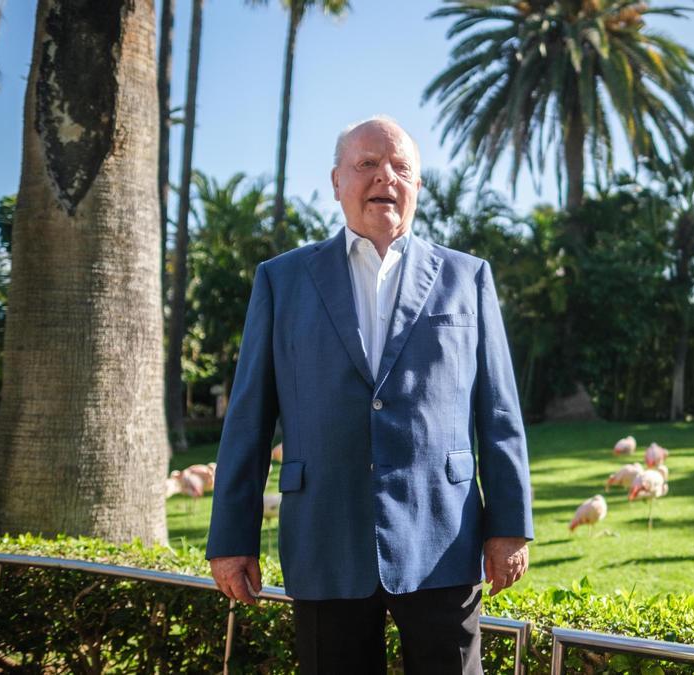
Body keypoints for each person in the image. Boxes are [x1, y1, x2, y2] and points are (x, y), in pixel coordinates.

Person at [206, 115, 534, 674]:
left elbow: (499, 412)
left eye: (401, 167)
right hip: (324, 538)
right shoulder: (281, 281)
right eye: (367, 165)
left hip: (443, 538)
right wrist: (231, 537)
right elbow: (248, 418)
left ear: (418, 187)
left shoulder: (468, 277)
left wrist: (508, 527)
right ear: (337, 181)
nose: (386, 176)